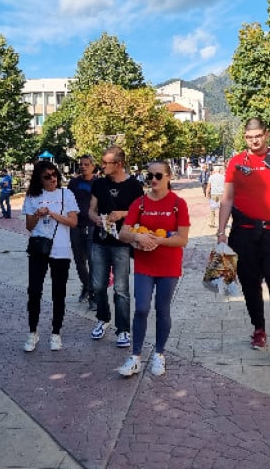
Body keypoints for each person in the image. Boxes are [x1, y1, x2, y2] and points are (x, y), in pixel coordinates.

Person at [217, 117, 270, 355]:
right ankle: (259, 329)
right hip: (243, 233)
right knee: (250, 283)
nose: (254, 141)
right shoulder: (236, 162)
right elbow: (227, 198)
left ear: (266, 135)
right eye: (249, 137)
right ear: (245, 137)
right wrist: (221, 231)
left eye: (258, 136)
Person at [116, 160, 190, 377]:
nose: (153, 180)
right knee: (141, 308)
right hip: (144, 265)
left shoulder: (178, 204)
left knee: (162, 310)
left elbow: (182, 239)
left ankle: (159, 354)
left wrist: (157, 241)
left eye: (158, 175)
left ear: (169, 177)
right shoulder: (138, 204)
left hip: (169, 266)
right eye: (150, 176)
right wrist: (137, 236)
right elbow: (122, 234)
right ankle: (135, 356)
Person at [88, 146, 143, 348]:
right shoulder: (99, 184)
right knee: (98, 286)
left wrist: (121, 214)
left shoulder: (134, 186)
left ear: (118, 164)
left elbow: (140, 212)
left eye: (106, 163)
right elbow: (91, 210)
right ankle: (103, 318)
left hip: (122, 242)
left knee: (121, 289)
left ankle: (123, 330)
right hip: (100, 241)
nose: (102, 166)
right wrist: (95, 219)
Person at [21, 161, 79, 352]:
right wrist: (37, 214)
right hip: (39, 248)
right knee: (34, 291)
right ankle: (32, 331)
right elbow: (29, 226)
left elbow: (73, 221)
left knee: (58, 292)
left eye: (55, 174)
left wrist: (53, 214)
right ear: (39, 178)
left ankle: (56, 332)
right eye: (47, 176)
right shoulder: (32, 196)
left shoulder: (66, 194)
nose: (52, 178)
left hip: (60, 249)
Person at [67, 155, 97, 310]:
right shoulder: (74, 183)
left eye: (86, 164)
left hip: (92, 226)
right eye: (81, 164)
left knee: (93, 261)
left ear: (93, 166)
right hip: (76, 226)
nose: (83, 167)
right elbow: (67, 202)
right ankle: (86, 285)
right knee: (79, 261)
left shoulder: (98, 183)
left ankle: (93, 295)